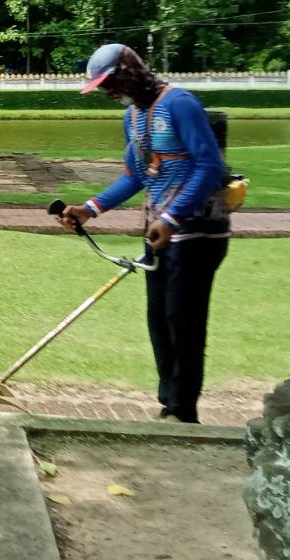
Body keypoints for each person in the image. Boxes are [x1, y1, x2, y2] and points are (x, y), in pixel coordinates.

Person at [54, 43, 230, 423]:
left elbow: (209, 166)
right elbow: (135, 177)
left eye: (109, 83)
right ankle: (169, 404)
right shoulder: (132, 117)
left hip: (197, 232)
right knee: (159, 319)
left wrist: (172, 216)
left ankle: (183, 411)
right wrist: (90, 209)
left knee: (182, 319)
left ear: (129, 73)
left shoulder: (180, 104)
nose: (107, 92)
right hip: (159, 231)